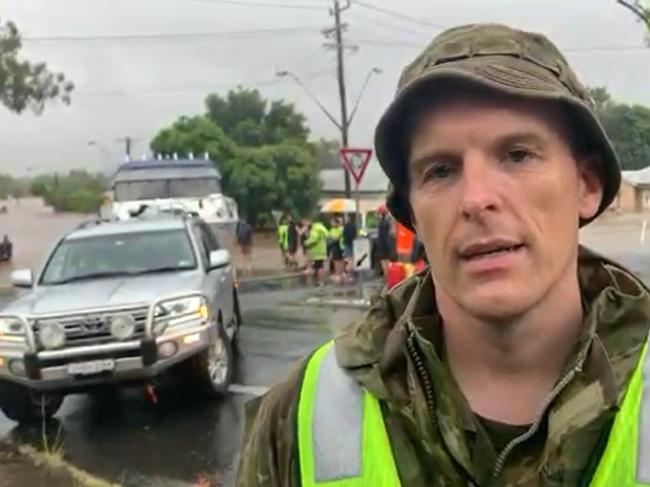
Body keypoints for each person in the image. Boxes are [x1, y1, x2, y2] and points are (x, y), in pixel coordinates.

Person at [237, 24, 649, 487]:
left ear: (587, 185)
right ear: (412, 210)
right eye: (441, 170)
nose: (476, 198)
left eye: (517, 155)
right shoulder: (301, 417)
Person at [302, 217, 329, 287]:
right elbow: (327, 235)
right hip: (322, 248)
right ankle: (321, 281)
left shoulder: (315, 228)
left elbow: (314, 239)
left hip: (317, 250)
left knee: (319, 266)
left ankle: (320, 282)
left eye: (305, 222)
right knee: (319, 265)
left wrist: (306, 243)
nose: (304, 224)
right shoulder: (320, 227)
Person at [375, 204, 392, 276]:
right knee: (388, 265)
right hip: (388, 246)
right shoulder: (388, 223)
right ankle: (389, 281)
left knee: (385, 266)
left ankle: (387, 282)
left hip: (382, 247)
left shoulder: (380, 223)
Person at [327, 216, 344, 284]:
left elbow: (337, 238)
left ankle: (339, 274)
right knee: (336, 260)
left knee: (338, 260)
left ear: (337, 223)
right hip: (333, 246)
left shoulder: (340, 229)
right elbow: (328, 237)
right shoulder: (332, 229)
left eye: (333, 222)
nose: (331, 223)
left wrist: (332, 238)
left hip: (339, 246)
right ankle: (338, 273)